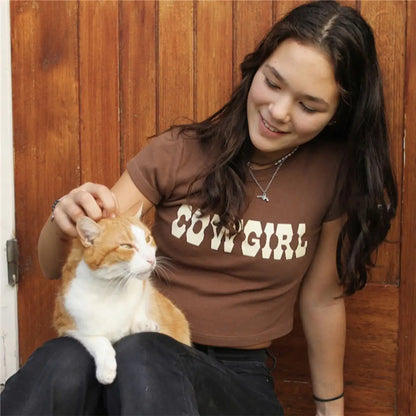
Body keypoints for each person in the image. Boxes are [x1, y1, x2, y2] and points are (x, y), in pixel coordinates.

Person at [1, 1, 397, 415]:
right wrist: (63, 217)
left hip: (235, 382)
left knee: (145, 355)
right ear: (255, 69)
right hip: (137, 353)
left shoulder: (330, 177)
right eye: (273, 83)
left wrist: (330, 411)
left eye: (309, 106)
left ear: (337, 115)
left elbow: (322, 300)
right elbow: (52, 266)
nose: (279, 113)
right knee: (63, 358)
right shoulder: (179, 153)